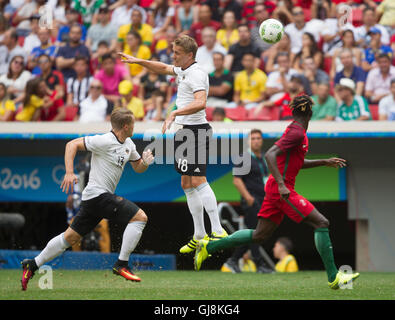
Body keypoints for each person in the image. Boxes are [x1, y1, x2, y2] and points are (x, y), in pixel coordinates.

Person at [194, 94, 361, 290]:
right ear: (311, 112)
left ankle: (209, 246)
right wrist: (282, 185)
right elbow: (270, 154)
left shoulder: (298, 131)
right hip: (282, 190)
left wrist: (323, 161)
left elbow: (296, 162)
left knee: (259, 235)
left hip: (276, 188)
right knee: (321, 222)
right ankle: (334, 277)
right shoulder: (296, 133)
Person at [21, 108, 155, 290]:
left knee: (69, 237)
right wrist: (69, 172)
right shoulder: (104, 140)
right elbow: (71, 145)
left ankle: (33, 264)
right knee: (140, 217)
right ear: (125, 126)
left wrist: (145, 163)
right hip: (98, 195)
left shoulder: (129, 144)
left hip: (95, 199)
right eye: (133, 123)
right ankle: (121, 264)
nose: (134, 126)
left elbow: (138, 168)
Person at [119, 34, 228, 254]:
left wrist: (175, 112)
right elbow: (162, 68)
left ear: (189, 55)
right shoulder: (183, 70)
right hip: (184, 132)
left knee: (198, 180)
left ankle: (218, 229)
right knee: (186, 184)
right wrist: (138, 61)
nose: (173, 56)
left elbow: (201, 103)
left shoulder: (197, 74)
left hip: (196, 132)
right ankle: (199, 235)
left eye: (177, 53)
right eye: (173, 52)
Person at [222, 129, 272, 274]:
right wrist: (248, 198)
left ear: (262, 140)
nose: (256, 141)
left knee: (255, 233)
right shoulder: (244, 157)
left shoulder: (264, 157)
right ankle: (259, 264)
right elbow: (237, 180)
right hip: (251, 201)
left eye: (258, 138)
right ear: (248, 141)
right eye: (253, 138)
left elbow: (267, 177)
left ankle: (233, 261)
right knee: (256, 232)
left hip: (264, 200)